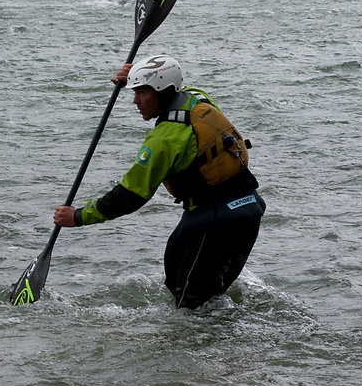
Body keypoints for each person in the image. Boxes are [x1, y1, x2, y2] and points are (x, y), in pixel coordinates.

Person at [54, 55, 264, 309]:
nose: (135, 101)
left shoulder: (165, 138)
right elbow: (174, 82)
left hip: (215, 222)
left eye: (142, 92)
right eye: (134, 91)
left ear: (163, 91)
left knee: (192, 307)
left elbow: (130, 195)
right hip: (248, 210)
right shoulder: (198, 98)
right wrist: (135, 75)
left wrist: (78, 217)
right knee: (190, 286)